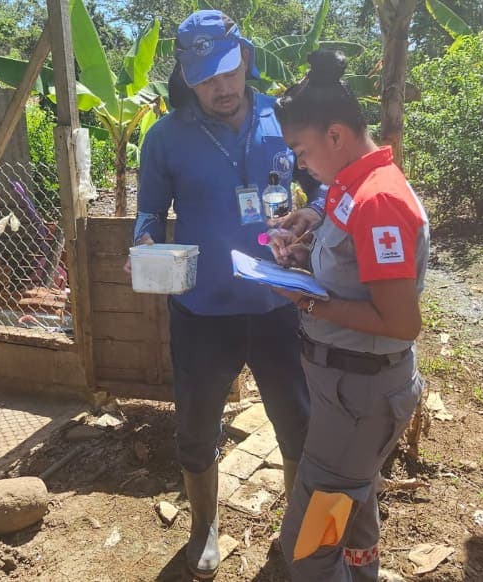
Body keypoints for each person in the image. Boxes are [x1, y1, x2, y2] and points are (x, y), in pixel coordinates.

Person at [128, 10, 324, 579]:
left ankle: (295, 524)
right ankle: (204, 524)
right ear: (188, 78)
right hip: (201, 310)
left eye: (229, 69)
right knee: (195, 427)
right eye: (207, 76)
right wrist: (142, 242)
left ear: (246, 58)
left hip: (277, 306)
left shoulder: (280, 117)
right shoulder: (165, 136)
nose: (222, 86)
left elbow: (326, 183)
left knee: (297, 422)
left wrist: (312, 209)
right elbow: (148, 211)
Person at [269, 50, 429, 581]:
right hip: (347, 392)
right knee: (350, 506)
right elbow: (344, 251)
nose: (299, 164)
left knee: (308, 544)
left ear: (335, 136)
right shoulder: (349, 185)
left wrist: (309, 301)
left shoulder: (378, 201)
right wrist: (305, 236)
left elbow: (402, 322)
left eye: (301, 150)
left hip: (359, 399)